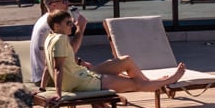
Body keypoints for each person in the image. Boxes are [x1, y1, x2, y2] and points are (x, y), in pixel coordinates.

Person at [43, 8, 185, 98]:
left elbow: (47, 66)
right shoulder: (61, 39)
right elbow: (57, 68)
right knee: (136, 84)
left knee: (126, 60)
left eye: (71, 22)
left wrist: (42, 88)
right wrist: (58, 93)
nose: (72, 25)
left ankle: (153, 83)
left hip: (82, 74)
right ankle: (166, 81)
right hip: (84, 82)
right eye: (68, 23)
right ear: (56, 26)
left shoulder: (50, 38)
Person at [30, 0, 86, 86]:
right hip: (51, 79)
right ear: (53, 5)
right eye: (64, 1)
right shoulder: (54, 25)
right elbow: (70, 53)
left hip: (41, 76)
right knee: (103, 73)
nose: (67, 3)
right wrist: (80, 29)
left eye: (67, 0)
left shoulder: (45, 19)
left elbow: (61, 55)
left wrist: (80, 62)